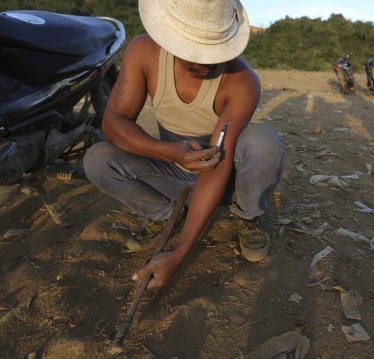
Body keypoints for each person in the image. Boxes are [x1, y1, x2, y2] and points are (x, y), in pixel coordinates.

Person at [83, 0, 284, 290]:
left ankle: (247, 215)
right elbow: (114, 121)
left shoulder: (242, 82)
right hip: (174, 174)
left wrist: (179, 253)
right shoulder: (143, 53)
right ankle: (166, 215)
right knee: (98, 159)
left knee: (263, 142)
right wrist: (167, 151)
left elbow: (217, 164)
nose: (205, 63)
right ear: (170, 37)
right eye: (194, 51)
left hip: (225, 181)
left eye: (214, 52)